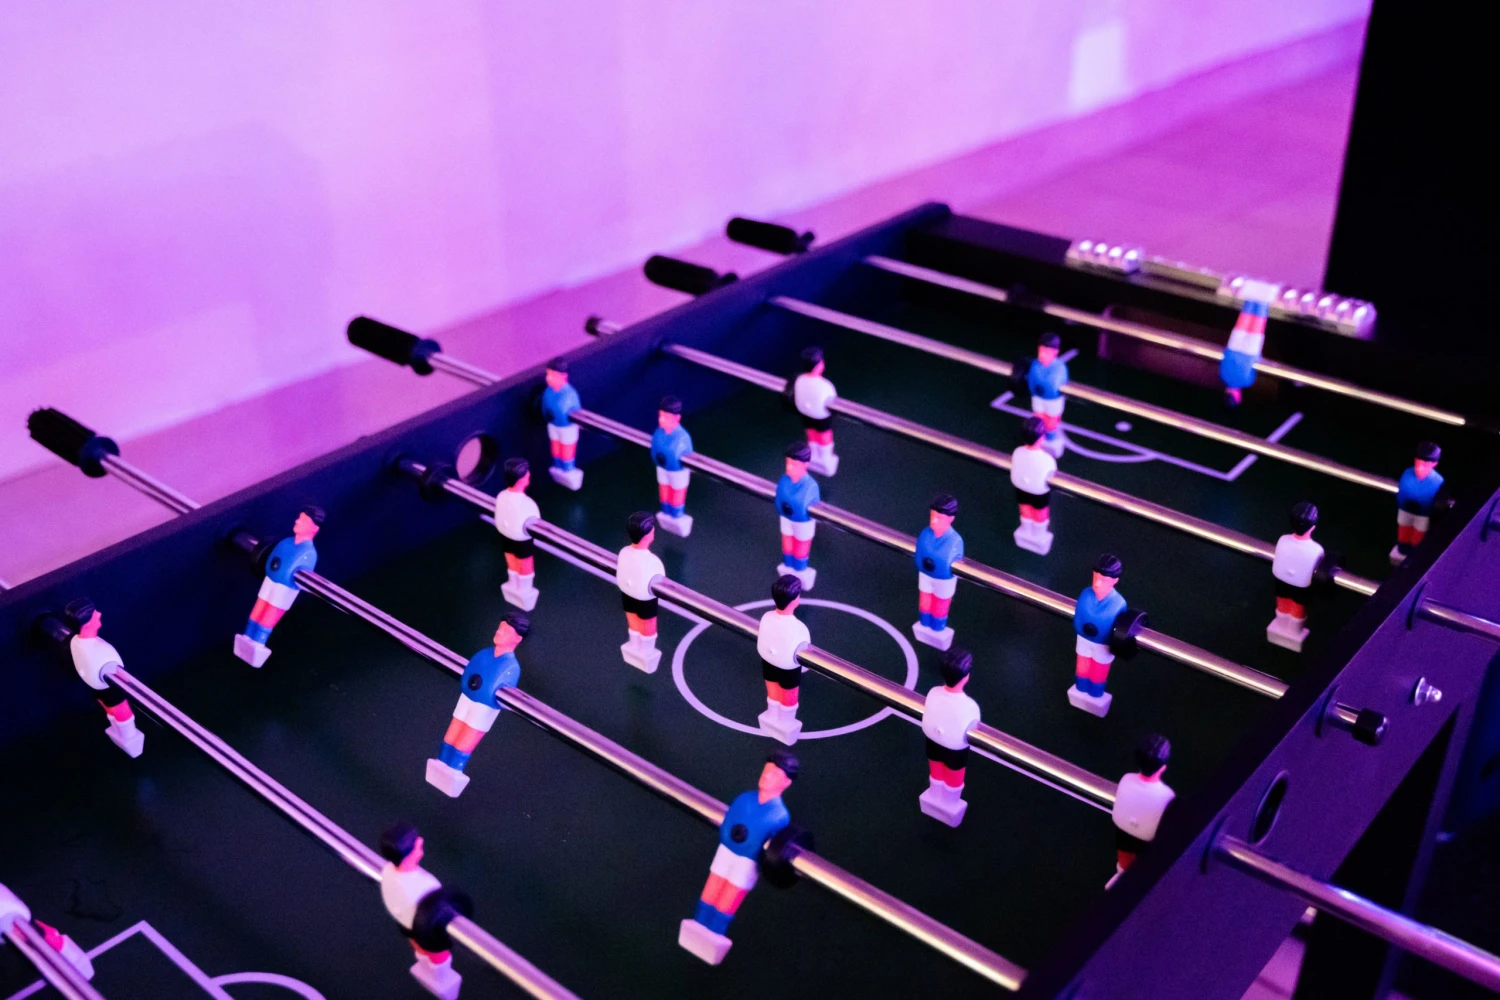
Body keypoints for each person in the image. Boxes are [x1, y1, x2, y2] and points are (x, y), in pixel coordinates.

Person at [678, 750, 799, 965]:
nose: (766, 776)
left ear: (786, 782)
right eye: (766, 770)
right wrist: (730, 837)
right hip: (726, 850)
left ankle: (715, 930)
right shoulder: (745, 799)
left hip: (747, 862)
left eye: (774, 774)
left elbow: (766, 844)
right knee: (714, 884)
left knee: (732, 892)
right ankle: (699, 921)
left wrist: (749, 846)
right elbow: (728, 823)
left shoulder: (780, 815)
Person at [425, 610, 528, 797]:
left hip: (484, 708)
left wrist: (481, 690)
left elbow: (492, 690)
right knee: (452, 733)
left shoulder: (511, 667)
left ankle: (454, 769)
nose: (499, 632)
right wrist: (471, 686)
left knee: (466, 739)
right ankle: (441, 762)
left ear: (517, 639)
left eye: (505, 631)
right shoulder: (483, 654)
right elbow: (468, 674)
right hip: (467, 698)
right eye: (500, 628)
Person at [377, 822, 472, 999]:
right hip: (424, 927)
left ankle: (424, 966)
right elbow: (437, 908)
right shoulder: (424, 886)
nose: (420, 841)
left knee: (417, 945)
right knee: (439, 955)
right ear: (408, 854)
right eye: (417, 844)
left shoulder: (387, 870)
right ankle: (440, 979)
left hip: (403, 921)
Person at [234, 505, 324, 667]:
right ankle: (246, 638)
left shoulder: (309, 553)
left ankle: (258, 643)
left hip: (284, 590)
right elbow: (272, 561)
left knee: (268, 616)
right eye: (299, 518)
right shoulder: (286, 542)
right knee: (257, 611)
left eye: (303, 520)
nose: (297, 521)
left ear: (314, 528)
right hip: (270, 581)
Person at [63, 599, 145, 757]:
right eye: (94, 615)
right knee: (122, 712)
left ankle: (119, 732)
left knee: (109, 708)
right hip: (107, 686)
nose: (99, 615)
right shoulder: (91, 650)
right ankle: (129, 738)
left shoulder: (75, 642)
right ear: (86, 625)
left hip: (95, 684)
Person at [919, 648, 982, 827]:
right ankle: (950, 802)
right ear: (966, 677)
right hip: (956, 750)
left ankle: (935, 796)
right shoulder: (970, 706)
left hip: (932, 742)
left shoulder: (933, 692)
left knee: (936, 771)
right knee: (954, 777)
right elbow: (975, 726)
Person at [1107, 734, 1175, 888]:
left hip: (1123, 835)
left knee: (1124, 848)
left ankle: (1122, 874)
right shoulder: (1167, 795)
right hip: (1147, 841)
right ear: (1163, 767)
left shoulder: (1126, 779)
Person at [757, 575, 811, 744]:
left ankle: (772, 715)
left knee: (772, 690)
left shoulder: (766, 617)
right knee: (789, 696)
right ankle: (786, 722)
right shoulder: (799, 628)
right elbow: (805, 655)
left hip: (768, 663)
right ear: (794, 600)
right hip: (789, 669)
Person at [1070, 553, 1126, 716]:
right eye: (1095, 577)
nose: (1097, 583)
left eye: (1103, 580)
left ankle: (1095, 692)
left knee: (1098, 670)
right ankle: (1081, 687)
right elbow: (1078, 618)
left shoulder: (1119, 603)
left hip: (1103, 645)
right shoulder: (1085, 594)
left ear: (1115, 580)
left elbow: (1118, 628)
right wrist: (1083, 629)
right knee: (1082, 666)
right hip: (1083, 640)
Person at [1267, 502, 1323, 653]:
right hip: (1302, 586)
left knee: (1282, 603)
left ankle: (1281, 626)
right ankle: (1293, 631)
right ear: (1313, 527)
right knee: (1297, 607)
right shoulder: (1316, 550)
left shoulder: (1282, 540)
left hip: (1281, 580)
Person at [617, 511, 667, 673]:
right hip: (645, 599)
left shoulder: (624, 552)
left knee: (633, 620)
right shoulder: (652, 561)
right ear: (647, 535)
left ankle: (634, 645)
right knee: (648, 625)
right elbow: (661, 578)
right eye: (652, 529)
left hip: (627, 594)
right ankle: (646, 651)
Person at [912, 494, 964, 650]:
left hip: (944, 581)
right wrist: (926, 564)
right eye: (932, 516)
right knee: (925, 601)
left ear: (951, 519)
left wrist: (936, 564)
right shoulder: (925, 533)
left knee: (940, 603)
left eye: (939, 518)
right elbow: (920, 555)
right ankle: (925, 622)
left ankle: (937, 627)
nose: (933, 521)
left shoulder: (955, 540)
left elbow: (945, 562)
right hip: (925, 576)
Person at [1219, 280, 1278, 406]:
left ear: (1237, 396)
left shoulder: (1247, 382)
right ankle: (1252, 286)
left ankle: (1267, 290)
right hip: (1234, 346)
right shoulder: (1223, 376)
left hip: (1250, 351)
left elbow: (1254, 365)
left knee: (1259, 319)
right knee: (1245, 315)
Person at [493, 457, 540, 610]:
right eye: (527, 474)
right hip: (521, 539)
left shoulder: (501, 496)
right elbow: (536, 519)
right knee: (524, 563)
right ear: (521, 479)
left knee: (511, 559)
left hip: (505, 536)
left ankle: (514, 584)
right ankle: (524, 589)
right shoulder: (526, 503)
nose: (529, 475)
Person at [774, 441, 822, 589]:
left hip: (803, 523)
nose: (789, 467)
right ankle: (788, 565)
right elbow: (781, 500)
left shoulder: (811, 486)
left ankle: (800, 570)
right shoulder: (784, 480)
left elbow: (800, 505)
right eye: (787, 463)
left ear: (805, 465)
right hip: (786, 519)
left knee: (801, 546)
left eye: (794, 464)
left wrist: (792, 506)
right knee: (787, 543)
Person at [1392, 441, 1445, 565]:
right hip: (1405, 511)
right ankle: (1402, 550)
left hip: (1423, 515)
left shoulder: (1438, 481)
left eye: (1425, 463)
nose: (1420, 466)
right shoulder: (1407, 473)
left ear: (1434, 464)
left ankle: (1414, 556)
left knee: (1418, 535)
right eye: (1418, 461)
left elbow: (1441, 501)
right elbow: (1401, 491)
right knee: (1403, 532)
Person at [1010, 415, 1057, 554]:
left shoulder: (1017, 452)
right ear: (1042, 437)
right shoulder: (1047, 460)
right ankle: (1038, 533)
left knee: (1025, 509)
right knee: (1040, 513)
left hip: (1021, 489)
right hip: (1039, 493)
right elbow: (1052, 473)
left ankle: (1026, 530)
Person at [650, 395, 695, 536]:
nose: (661, 420)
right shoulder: (659, 433)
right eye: (660, 416)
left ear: (677, 418)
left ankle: (676, 514)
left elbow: (674, 453)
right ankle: (666, 510)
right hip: (662, 469)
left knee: (676, 492)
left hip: (678, 472)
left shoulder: (683, 437)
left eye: (666, 417)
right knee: (664, 489)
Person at [792, 346, 839, 475]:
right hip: (821, 416)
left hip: (805, 413)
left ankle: (813, 454)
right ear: (819, 365)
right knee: (824, 435)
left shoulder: (799, 380)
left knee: (811, 432)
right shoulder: (825, 385)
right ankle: (825, 457)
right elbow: (833, 401)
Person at [541, 357, 583, 490]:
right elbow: (544, 407)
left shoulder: (570, 394)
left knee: (566, 449)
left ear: (564, 377)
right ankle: (558, 466)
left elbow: (576, 412)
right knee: (555, 446)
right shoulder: (548, 392)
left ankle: (568, 469)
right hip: (553, 425)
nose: (548, 378)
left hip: (567, 428)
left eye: (553, 375)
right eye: (548, 374)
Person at [1026, 332, 1069, 458]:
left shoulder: (1059, 368)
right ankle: (1039, 438)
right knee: (1038, 418)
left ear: (1055, 352)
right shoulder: (1035, 364)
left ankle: (1050, 439)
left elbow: (1052, 386)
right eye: (1040, 351)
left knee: (1051, 421)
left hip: (1052, 401)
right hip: (1037, 398)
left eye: (1046, 351)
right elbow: (1032, 381)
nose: (1042, 355)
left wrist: (1042, 386)